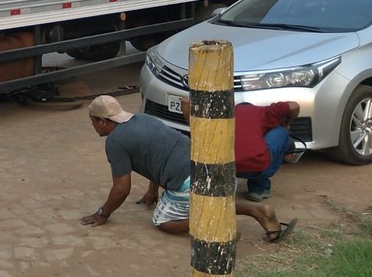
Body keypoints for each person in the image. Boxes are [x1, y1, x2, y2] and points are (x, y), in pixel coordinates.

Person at [80, 95, 296, 242]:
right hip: (222, 170)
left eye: (92, 122)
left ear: (102, 121)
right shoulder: (142, 118)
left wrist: (103, 214)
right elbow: (159, 150)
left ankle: (217, 227)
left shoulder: (115, 141)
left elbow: (121, 189)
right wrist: (152, 190)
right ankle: (257, 210)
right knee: (208, 202)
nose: (93, 127)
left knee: (163, 221)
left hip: (192, 182)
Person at [182, 99, 300, 201]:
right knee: (281, 132)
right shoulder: (264, 111)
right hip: (256, 167)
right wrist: (287, 124)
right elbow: (294, 106)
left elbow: (185, 101)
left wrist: (192, 125)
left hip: (220, 168)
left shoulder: (221, 115)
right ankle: (259, 188)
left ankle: (221, 184)